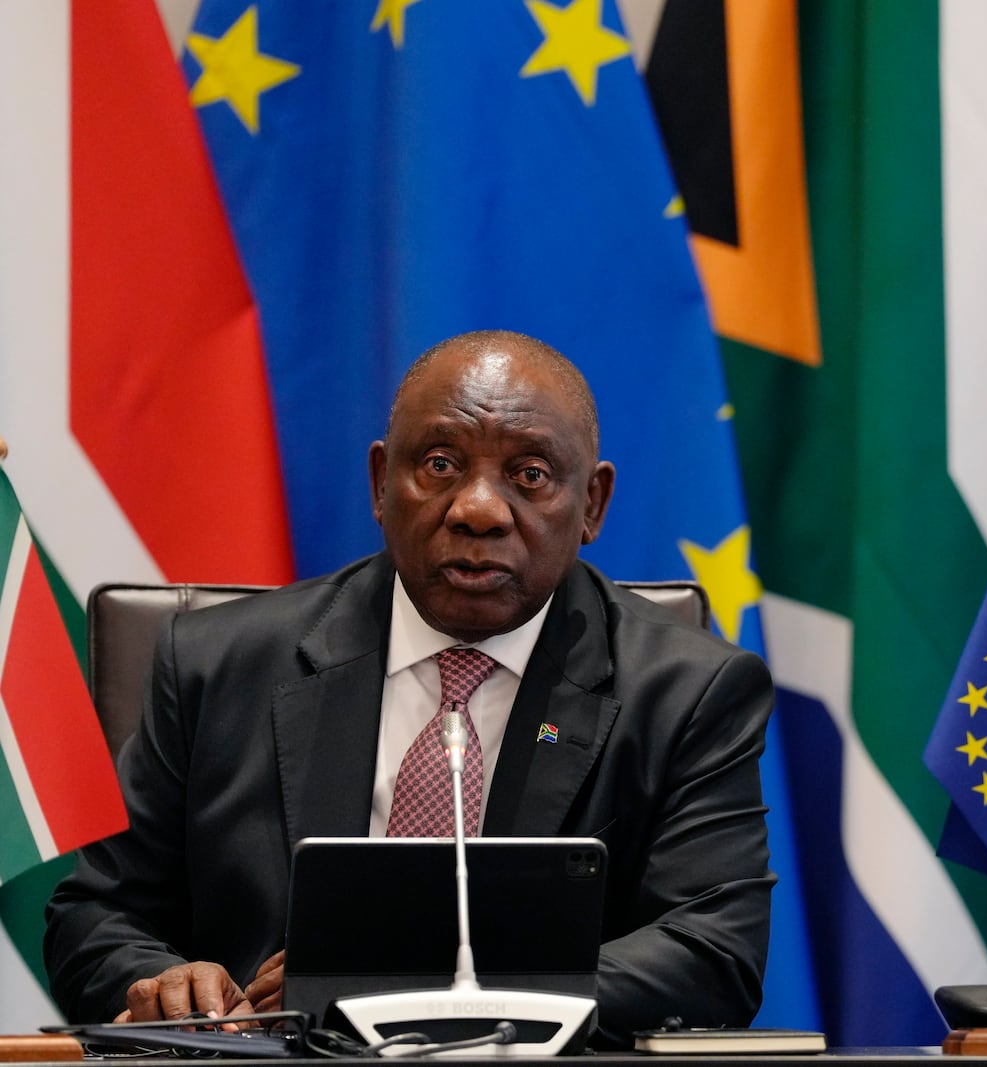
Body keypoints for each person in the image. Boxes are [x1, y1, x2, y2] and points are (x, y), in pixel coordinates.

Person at [44, 330, 775, 1048]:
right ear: (379, 483)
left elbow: (711, 952)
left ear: (592, 504)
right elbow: (95, 918)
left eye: (529, 475)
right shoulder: (213, 664)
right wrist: (160, 979)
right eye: (438, 463)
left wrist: (417, 982)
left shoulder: (688, 692)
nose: (478, 509)